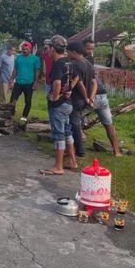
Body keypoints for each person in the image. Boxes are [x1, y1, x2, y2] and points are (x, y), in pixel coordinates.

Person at [40, 35, 78, 176]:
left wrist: (55, 97)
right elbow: (75, 78)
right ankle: (72, 161)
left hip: (59, 105)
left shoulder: (57, 63)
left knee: (58, 134)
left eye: (48, 48)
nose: (47, 51)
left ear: (53, 48)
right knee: (68, 132)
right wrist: (66, 92)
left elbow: (56, 83)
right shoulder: (69, 62)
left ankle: (58, 166)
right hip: (68, 103)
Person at [83, 39, 122, 157]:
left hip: (93, 96)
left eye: (92, 49)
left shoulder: (82, 61)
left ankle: (77, 146)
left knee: (72, 119)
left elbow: (88, 82)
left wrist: (90, 97)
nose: (90, 51)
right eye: (88, 48)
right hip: (102, 96)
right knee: (108, 123)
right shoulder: (88, 60)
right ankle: (117, 151)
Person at [67, 41, 95, 158]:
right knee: (76, 123)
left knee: (74, 124)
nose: (67, 54)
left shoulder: (75, 64)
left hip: (77, 99)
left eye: (68, 52)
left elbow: (80, 84)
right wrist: (91, 97)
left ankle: (79, 151)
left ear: (74, 52)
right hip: (84, 100)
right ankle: (74, 148)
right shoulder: (88, 63)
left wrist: (86, 97)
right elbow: (94, 82)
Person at [9, 41, 40, 122]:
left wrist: (36, 82)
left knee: (28, 101)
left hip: (29, 83)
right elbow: (15, 69)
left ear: (30, 49)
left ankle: (24, 116)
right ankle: (10, 114)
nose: (24, 51)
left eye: (26, 49)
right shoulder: (18, 58)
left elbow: (37, 71)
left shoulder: (35, 59)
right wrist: (12, 79)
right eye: (23, 49)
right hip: (18, 82)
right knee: (13, 100)